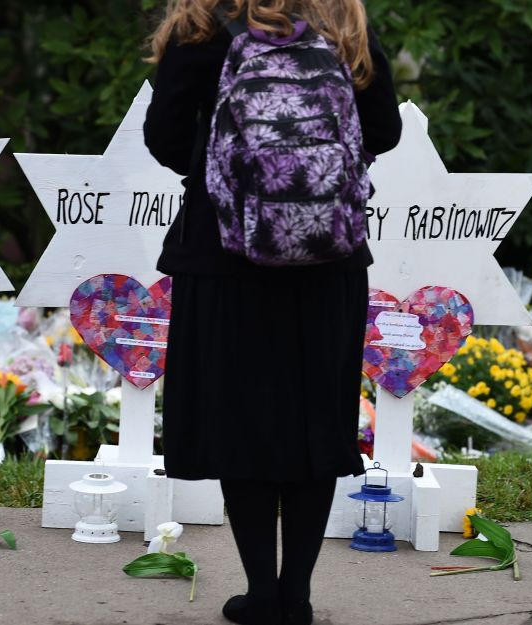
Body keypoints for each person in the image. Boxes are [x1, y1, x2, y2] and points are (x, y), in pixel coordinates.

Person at [144, 1, 401, 623]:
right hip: (329, 253)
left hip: (223, 256)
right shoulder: (343, 28)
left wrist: (241, 170)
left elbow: (166, 140)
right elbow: (385, 131)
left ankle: (262, 593)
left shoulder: (201, 30)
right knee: (316, 423)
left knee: (243, 426)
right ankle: (300, 595)